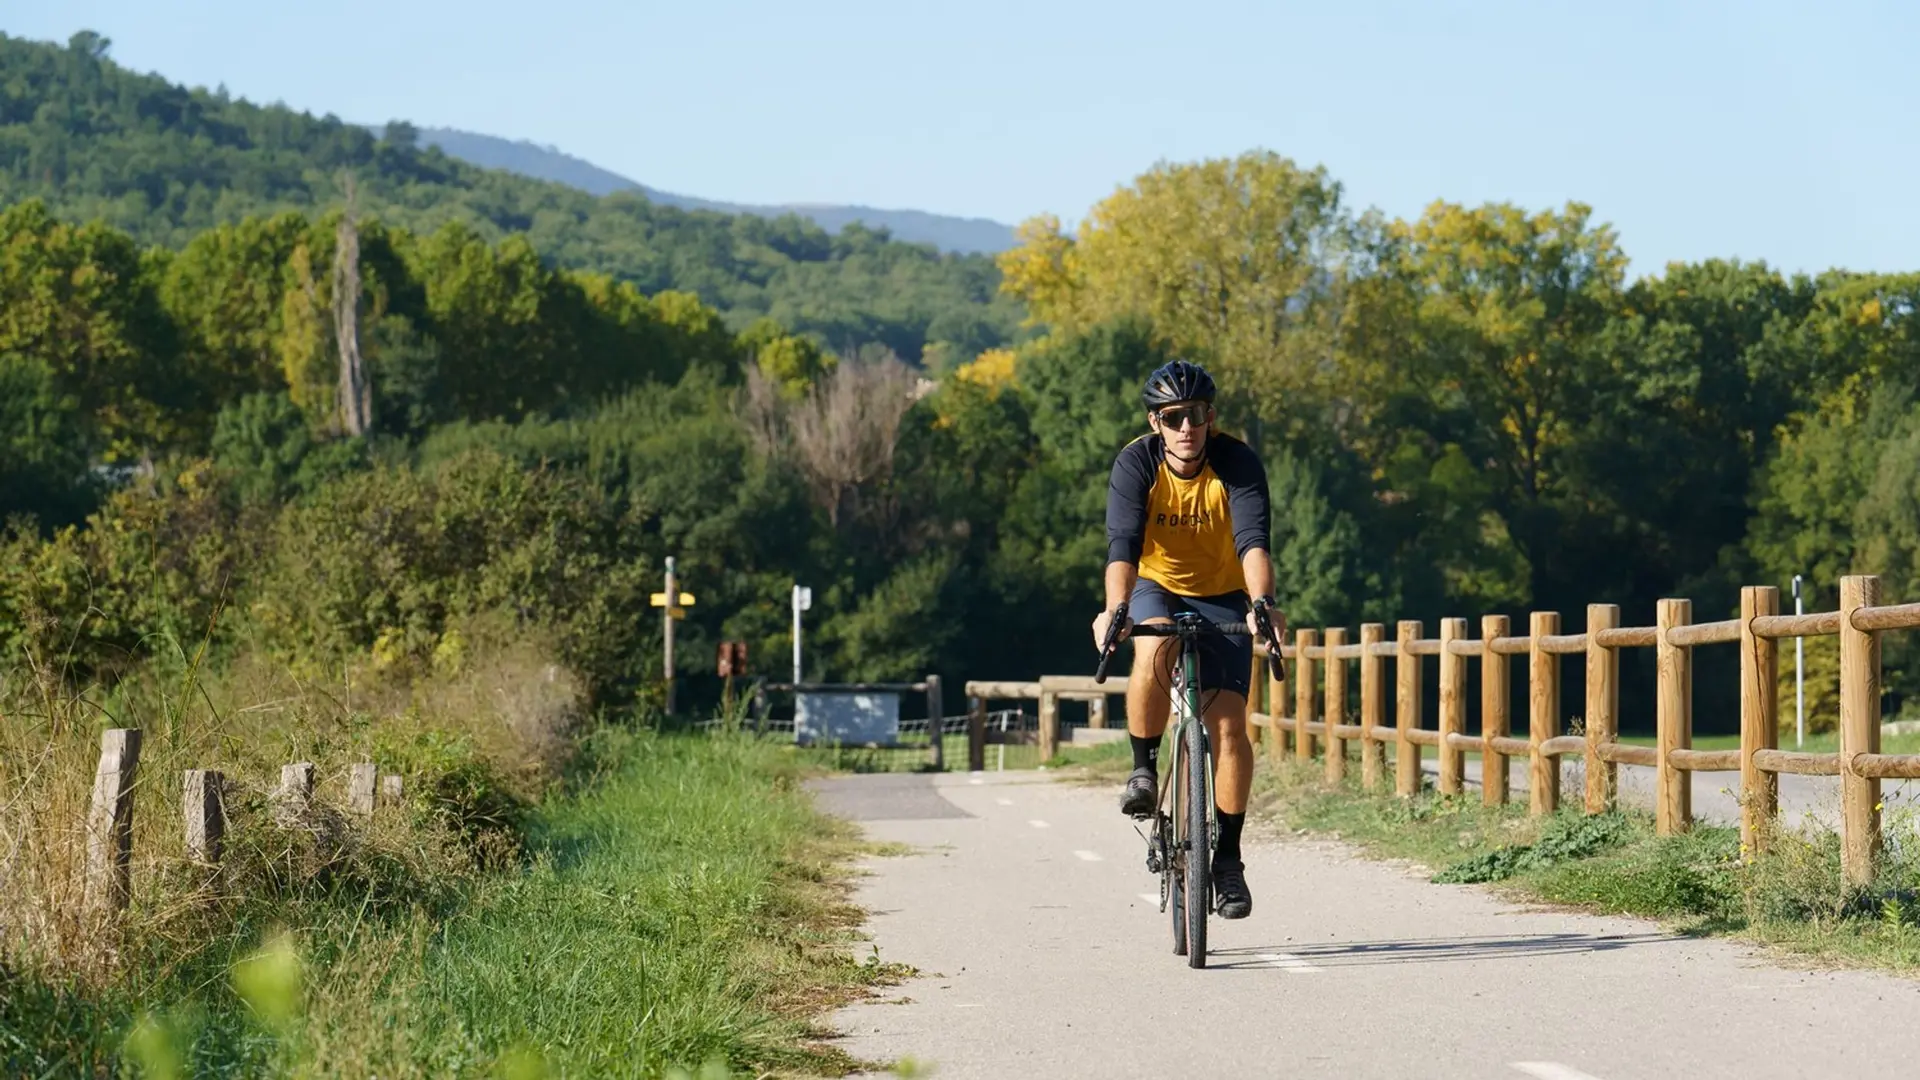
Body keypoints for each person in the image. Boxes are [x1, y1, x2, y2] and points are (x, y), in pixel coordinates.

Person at [1091, 359, 1284, 920]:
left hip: (1223, 591)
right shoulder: (1136, 464)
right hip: (1156, 585)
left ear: (1210, 417)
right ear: (1156, 422)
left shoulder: (1236, 461)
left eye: (1195, 415)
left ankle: (1227, 859)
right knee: (1151, 649)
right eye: (1173, 417)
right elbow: (1122, 546)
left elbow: (1253, 541)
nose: (1185, 428)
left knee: (1228, 726)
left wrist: (1262, 605)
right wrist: (1115, 610)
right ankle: (1144, 767)